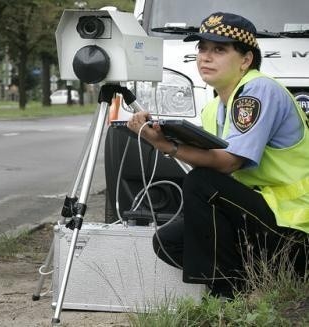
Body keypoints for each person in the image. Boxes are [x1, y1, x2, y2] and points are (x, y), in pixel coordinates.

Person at [127, 12, 309, 298]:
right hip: (265, 222)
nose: (205, 57)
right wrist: (161, 135)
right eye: (202, 48)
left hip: (295, 228)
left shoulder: (258, 89)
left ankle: (225, 293)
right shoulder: (214, 108)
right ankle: (254, 283)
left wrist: (167, 146)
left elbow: (228, 163)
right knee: (168, 241)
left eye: (219, 50)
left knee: (202, 183)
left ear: (246, 59)